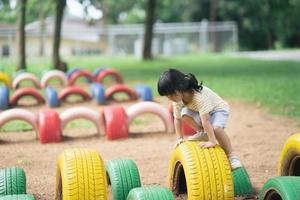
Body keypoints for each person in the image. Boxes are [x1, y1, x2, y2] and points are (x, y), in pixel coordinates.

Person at [157, 68, 242, 169]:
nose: (169, 98)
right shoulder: (177, 100)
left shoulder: (198, 97)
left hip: (218, 109)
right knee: (184, 113)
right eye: (167, 96)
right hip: (202, 113)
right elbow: (177, 119)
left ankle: (232, 156)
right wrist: (180, 138)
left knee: (216, 129)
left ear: (179, 88)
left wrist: (212, 141)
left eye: (170, 94)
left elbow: (205, 120)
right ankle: (202, 132)